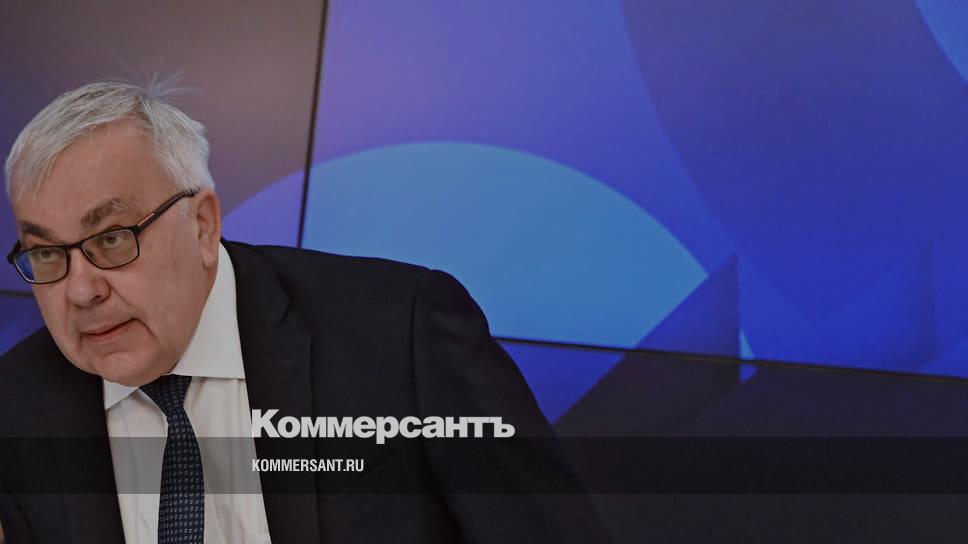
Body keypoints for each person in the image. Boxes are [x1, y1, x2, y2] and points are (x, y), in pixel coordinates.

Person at [0, 80, 610, 543]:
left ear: (203, 226)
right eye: (47, 253)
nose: (81, 290)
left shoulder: (400, 334)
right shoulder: (18, 404)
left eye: (111, 239)